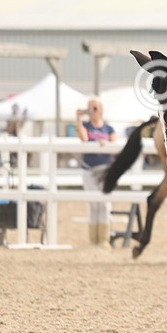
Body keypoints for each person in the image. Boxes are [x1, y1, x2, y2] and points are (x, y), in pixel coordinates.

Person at [75, 97, 117, 247]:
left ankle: (104, 239)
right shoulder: (85, 126)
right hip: (89, 169)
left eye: (95, 108)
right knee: (93, 203)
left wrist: (105, 145)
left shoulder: (109, 128)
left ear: (101, 110)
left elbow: (114, 146)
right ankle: (93, 240)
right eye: (90, 108)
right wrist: (78, 118)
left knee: (105, 203)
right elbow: (83, 138)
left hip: (105, 169)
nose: (93, 111)